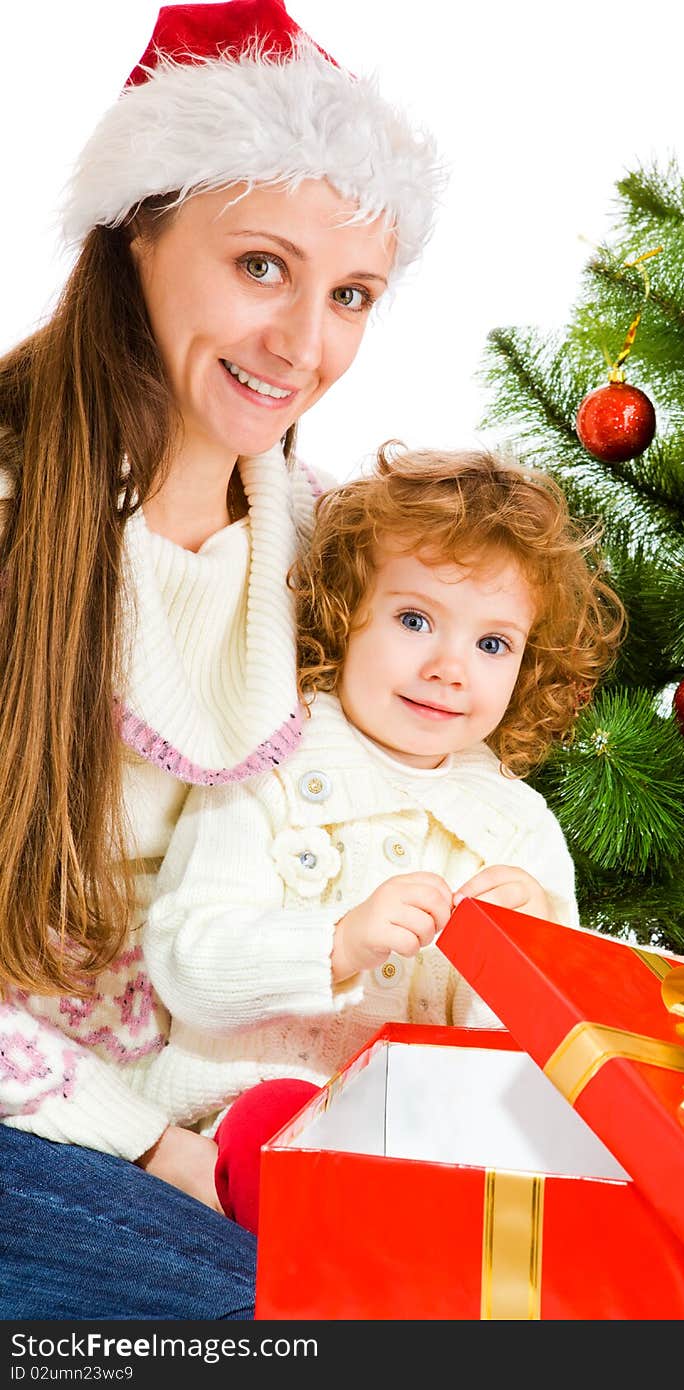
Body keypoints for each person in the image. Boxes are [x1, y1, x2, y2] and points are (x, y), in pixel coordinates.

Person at [0, 0, 444, 1320]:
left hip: (248, 1110)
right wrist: (153, 1147)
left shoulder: (320, 546)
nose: (305, 347)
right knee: (260, 1324)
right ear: (141, 225)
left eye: (349, 295)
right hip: (56, 1121)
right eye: (262, 266)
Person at [137, 442, 626, 1234]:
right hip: (235, 1127)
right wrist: (334, 942)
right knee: (280, 1121)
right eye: (414, 620)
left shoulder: (517, 826)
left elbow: (541, 1051)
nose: (448, 667)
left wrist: (525, 951)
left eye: (492, 643)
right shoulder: (267, 764)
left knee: (537, 1159)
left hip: (422, 1147)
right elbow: (184, 960)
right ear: (344, 613)